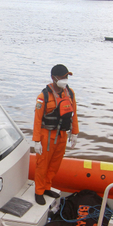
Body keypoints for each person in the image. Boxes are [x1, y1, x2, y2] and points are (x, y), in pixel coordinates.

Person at [32, 64, 79, 205]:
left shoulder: (70, 93)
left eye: (66, 77)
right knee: (42, 165)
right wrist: (36, 140)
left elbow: (74, 113)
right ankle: (39, 191)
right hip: (47, 135)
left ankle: (47, 187)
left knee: (55, 164)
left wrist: (75, 132)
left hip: (62, 135)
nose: (65, 79)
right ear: (54, 78)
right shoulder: (43, 96)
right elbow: (37, 119)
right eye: (63, 77)